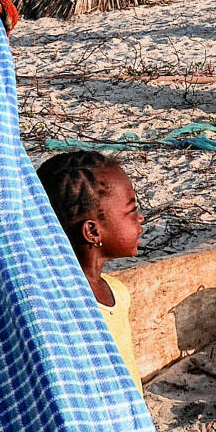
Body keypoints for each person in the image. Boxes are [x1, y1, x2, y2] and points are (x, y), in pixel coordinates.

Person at [36, 151, 146, 390]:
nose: (141, 218)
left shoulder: (117, 292)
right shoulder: (65, 306)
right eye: (131, 211)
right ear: (93, 232)